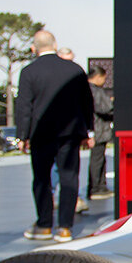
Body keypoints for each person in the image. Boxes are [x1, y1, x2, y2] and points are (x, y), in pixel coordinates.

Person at [16, 30, 94, 243]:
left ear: (34, 48)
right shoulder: (74, 69)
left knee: (41, 179)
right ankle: (65, 228)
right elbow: (87, 102)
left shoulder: (29, 72)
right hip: (70, 133)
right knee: (69, 176)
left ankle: (43, 225)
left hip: (41, 133)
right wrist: (89, 131)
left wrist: (22, 135)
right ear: (55, 44)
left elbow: (24, 106)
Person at [87, 65, 113, 199]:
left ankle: (98, 186)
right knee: (97, 160)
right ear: (97, 77)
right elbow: (105, 108)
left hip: (97, 129)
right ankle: (96, 188)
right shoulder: (95, 91)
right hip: (98, 129)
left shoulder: (88, 90)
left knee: (98, 159)